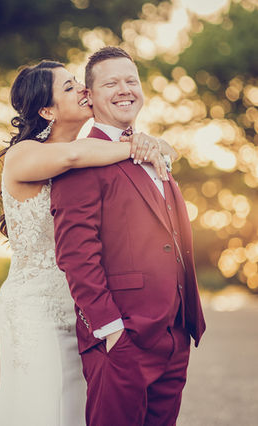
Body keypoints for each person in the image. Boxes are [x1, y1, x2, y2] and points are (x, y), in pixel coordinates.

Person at [0, 60, 176, 426]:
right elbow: (73, 155)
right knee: (42, 404)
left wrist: (147, 141)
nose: (82, 90)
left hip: (79, 306)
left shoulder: (91, 153)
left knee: (77, 408)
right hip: (35, 306)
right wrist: (137, 147)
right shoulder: (24, 155)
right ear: (46, 110)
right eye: (68, 88)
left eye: (79, 83)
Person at [50, 46, 206, 426]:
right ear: (89, 96)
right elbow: (75, 253)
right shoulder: (81, 159)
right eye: (111, 83)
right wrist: (110, 330)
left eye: (131, 80)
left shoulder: (150, 148)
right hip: (122, 338)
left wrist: (183, 325)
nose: (124, 89)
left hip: (174, 332)